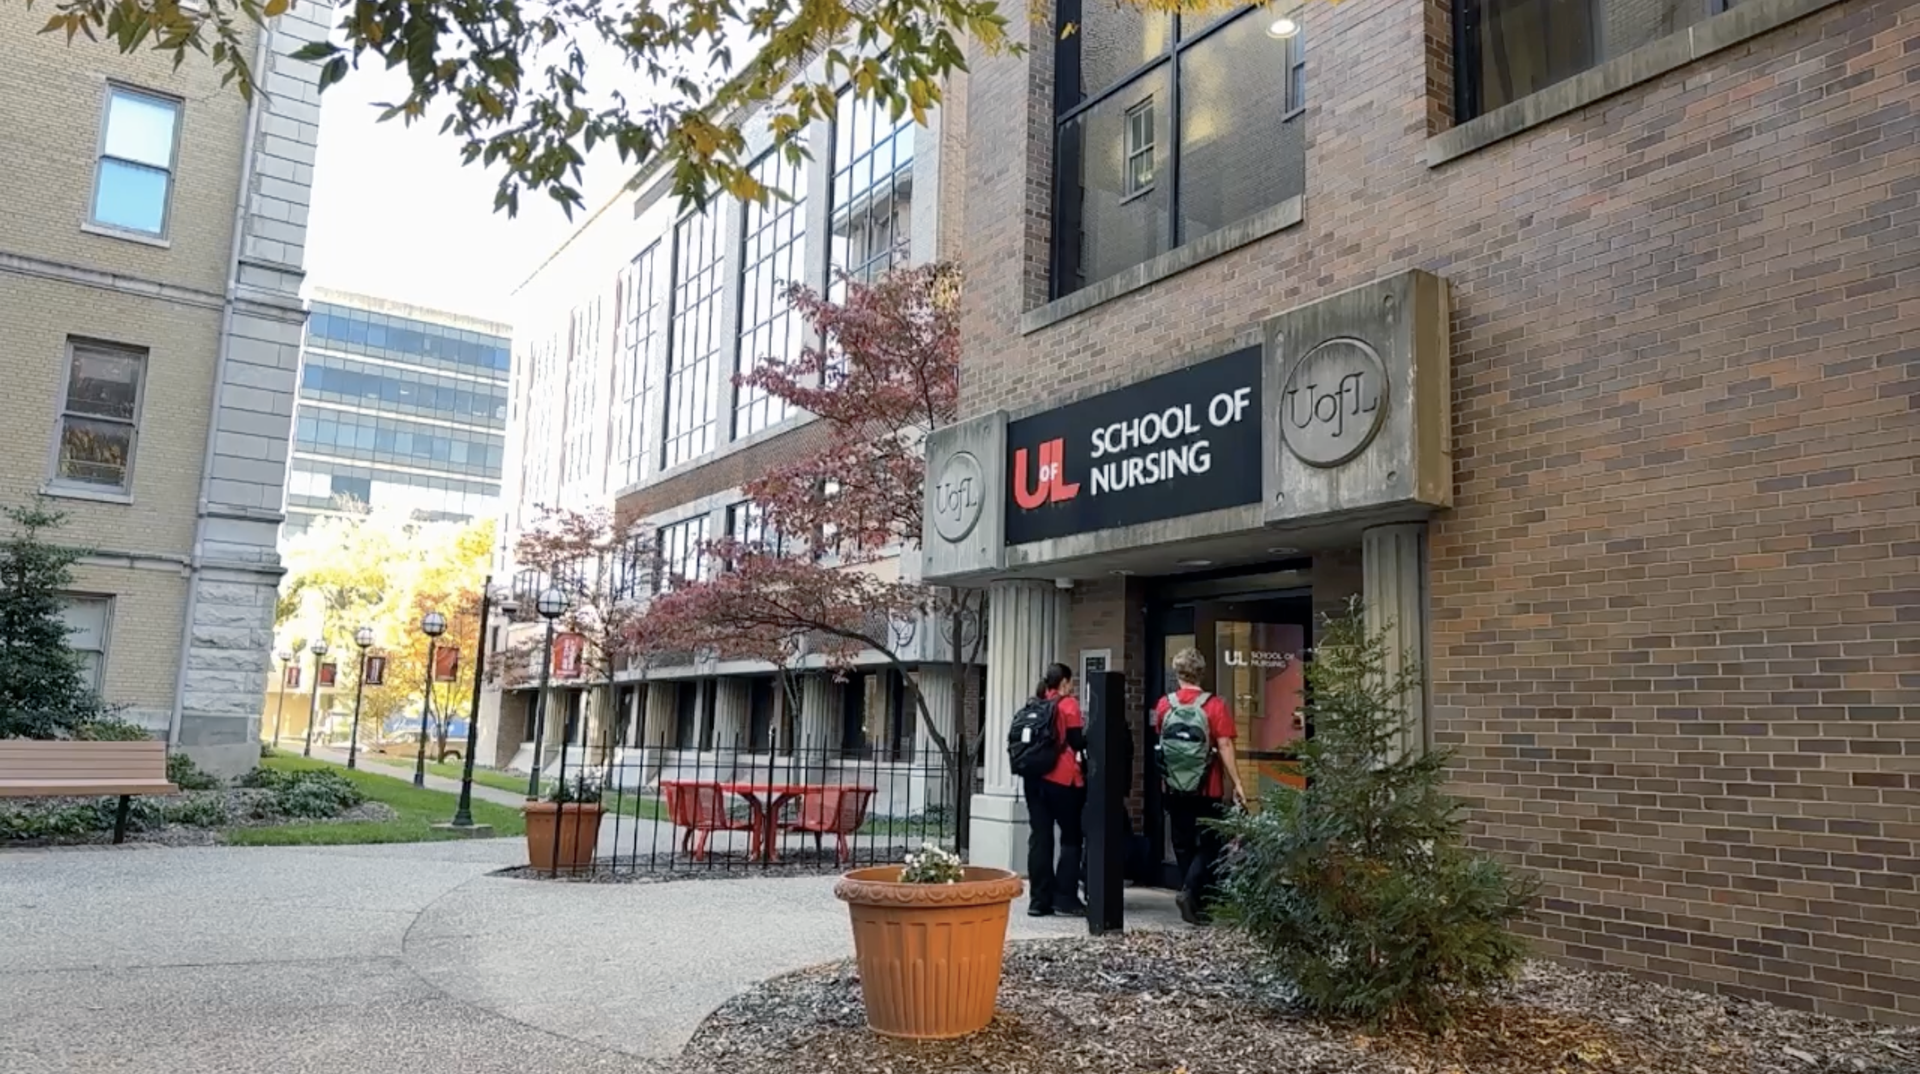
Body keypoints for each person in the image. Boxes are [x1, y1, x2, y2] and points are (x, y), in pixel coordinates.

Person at [1153, 647, 1247, 926]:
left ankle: (1190, 898)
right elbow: (1225, 744)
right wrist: (1238, 782)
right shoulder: (1214, 706)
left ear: (1177, 673)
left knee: (1182, 843)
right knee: (1210, 842)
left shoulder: (1164, 705)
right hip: (1208, 787)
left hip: (1172, 786)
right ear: (1201, 673)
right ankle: (1192, 894)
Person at [1022, 662, 1087, 917]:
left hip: (1033, 779)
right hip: (1062, 779)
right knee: (1071, 837)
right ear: (1064, 683)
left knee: (1040, 838)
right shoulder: (1068, 704)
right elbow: (1077, 741)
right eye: (1071, 682)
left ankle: (1039, 901)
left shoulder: (1034, 703)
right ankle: (1066, 897)